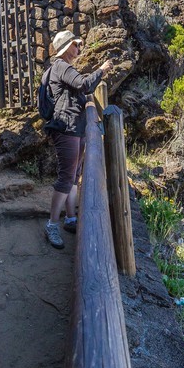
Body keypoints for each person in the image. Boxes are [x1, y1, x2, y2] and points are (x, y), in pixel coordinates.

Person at [42, 30, 109, 249]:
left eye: (79, 45)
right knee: (66, 177)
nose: (79, 49)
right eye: (75, 45)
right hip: (67, 127)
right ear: (66, 48)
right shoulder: (62, 67)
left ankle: (70, 218)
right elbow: (84, 85)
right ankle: (52, 224)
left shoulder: (63, 68)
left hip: (73, 127)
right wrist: (101, 70)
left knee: (73, 175)